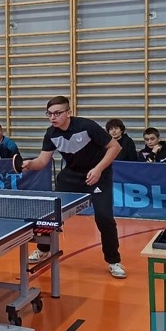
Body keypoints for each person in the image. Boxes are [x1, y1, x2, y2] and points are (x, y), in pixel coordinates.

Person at [21, 96, 125, 278]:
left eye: (57, 113)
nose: (53, 117)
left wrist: (98, 169)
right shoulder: (51, 134)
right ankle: (43, 249)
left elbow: (115, 147)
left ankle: (113, 261)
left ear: (68, 113)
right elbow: (42, 161)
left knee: (104, 217)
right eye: (49, 114)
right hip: (72, 175)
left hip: (98, 174)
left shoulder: (87, 126)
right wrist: (30, 163)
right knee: (51, 212)